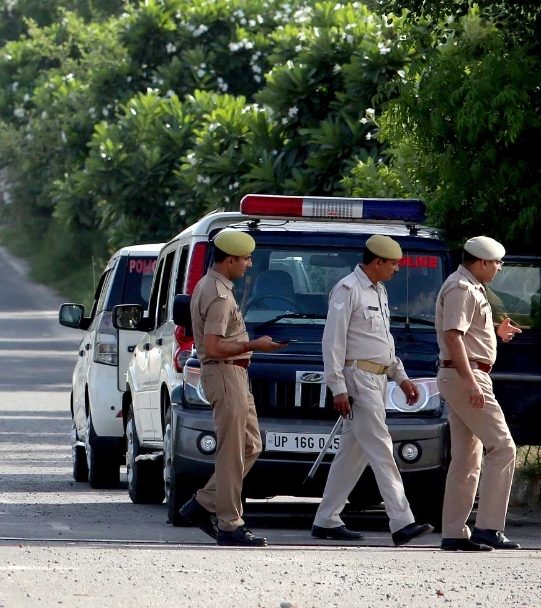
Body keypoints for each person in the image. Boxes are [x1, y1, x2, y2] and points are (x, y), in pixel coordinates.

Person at [310, 235, 434, 546]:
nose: (396, 269)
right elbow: (333, 342)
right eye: (392, 263)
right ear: (376, 262)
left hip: (378, 379)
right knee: (381, 448)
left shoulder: (379, 291)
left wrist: (400, 376)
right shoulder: (348, 289)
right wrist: (337, 386)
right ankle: (402, 521)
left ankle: (326, 519)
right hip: (358, 379)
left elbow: (382, 342)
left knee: (352, 455)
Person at [178, 230, 286, 546]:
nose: (249, 265)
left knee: (250, 445)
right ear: (230, 260)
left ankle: (202, 504)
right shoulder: (219, 294)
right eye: (245, 259)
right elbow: (211, 347)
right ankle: (229, 522)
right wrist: (256, 344)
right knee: (232, 452)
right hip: (224, 374)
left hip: (235, 375)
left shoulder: (215, 285)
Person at [436, 236, 522, 551]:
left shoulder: (469, 286)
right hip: (466, 377)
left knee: (467, 458)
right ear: (482, 262)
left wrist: (495, 334)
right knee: (502, 447)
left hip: (461, 375)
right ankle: (488, 527)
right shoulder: (461, 288)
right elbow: (453, 336)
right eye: (497, 262)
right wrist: (471, 381)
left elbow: (466, 333)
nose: (499, 268)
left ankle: (454, 533)